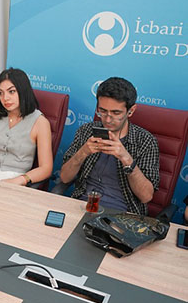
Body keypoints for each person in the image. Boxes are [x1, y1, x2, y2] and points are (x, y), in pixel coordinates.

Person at [60, 77, 159, 215]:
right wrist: (83, 152)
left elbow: (146, 197)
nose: (107, 119)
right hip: (83, 205)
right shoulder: (86, 131)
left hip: (122, 213)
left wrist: (126, 159)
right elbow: (64, 178)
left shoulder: (145, 141)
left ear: (131, 111)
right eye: (102, 111)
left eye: (116, 113)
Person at [0, 68, 52, 185]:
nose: (5, 98)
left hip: (15, 178)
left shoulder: (40, 122)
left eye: (11, 91)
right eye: (0, 93)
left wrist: (19, 180)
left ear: (23, 91)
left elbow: (46, 168)